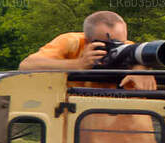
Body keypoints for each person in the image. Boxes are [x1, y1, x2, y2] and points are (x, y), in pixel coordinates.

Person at [18, 10, 157, 91]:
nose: (117, 48)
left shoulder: (128, 48)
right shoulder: (72, 41)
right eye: (107, 44)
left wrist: (141, 69)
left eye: (121, 43)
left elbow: (141, 54)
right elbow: (26, 65)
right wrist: (78, 64)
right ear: (88, 40)